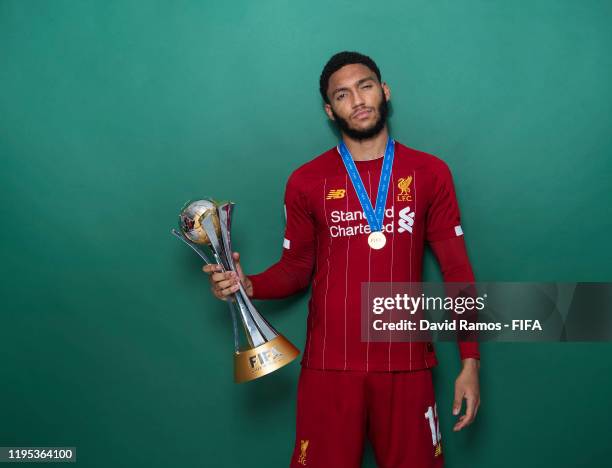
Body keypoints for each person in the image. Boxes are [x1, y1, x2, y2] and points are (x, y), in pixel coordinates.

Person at [204, 51, 480, 468]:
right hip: (330, 368)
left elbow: (457, 272)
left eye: (365, 85)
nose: (358, 99)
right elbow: (296, 269)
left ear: (384, 91)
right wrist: (249, 285)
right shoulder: (305, 181)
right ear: (330, 110)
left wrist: (470, 361)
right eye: (343, 94)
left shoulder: (430, 172)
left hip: (406, 365)